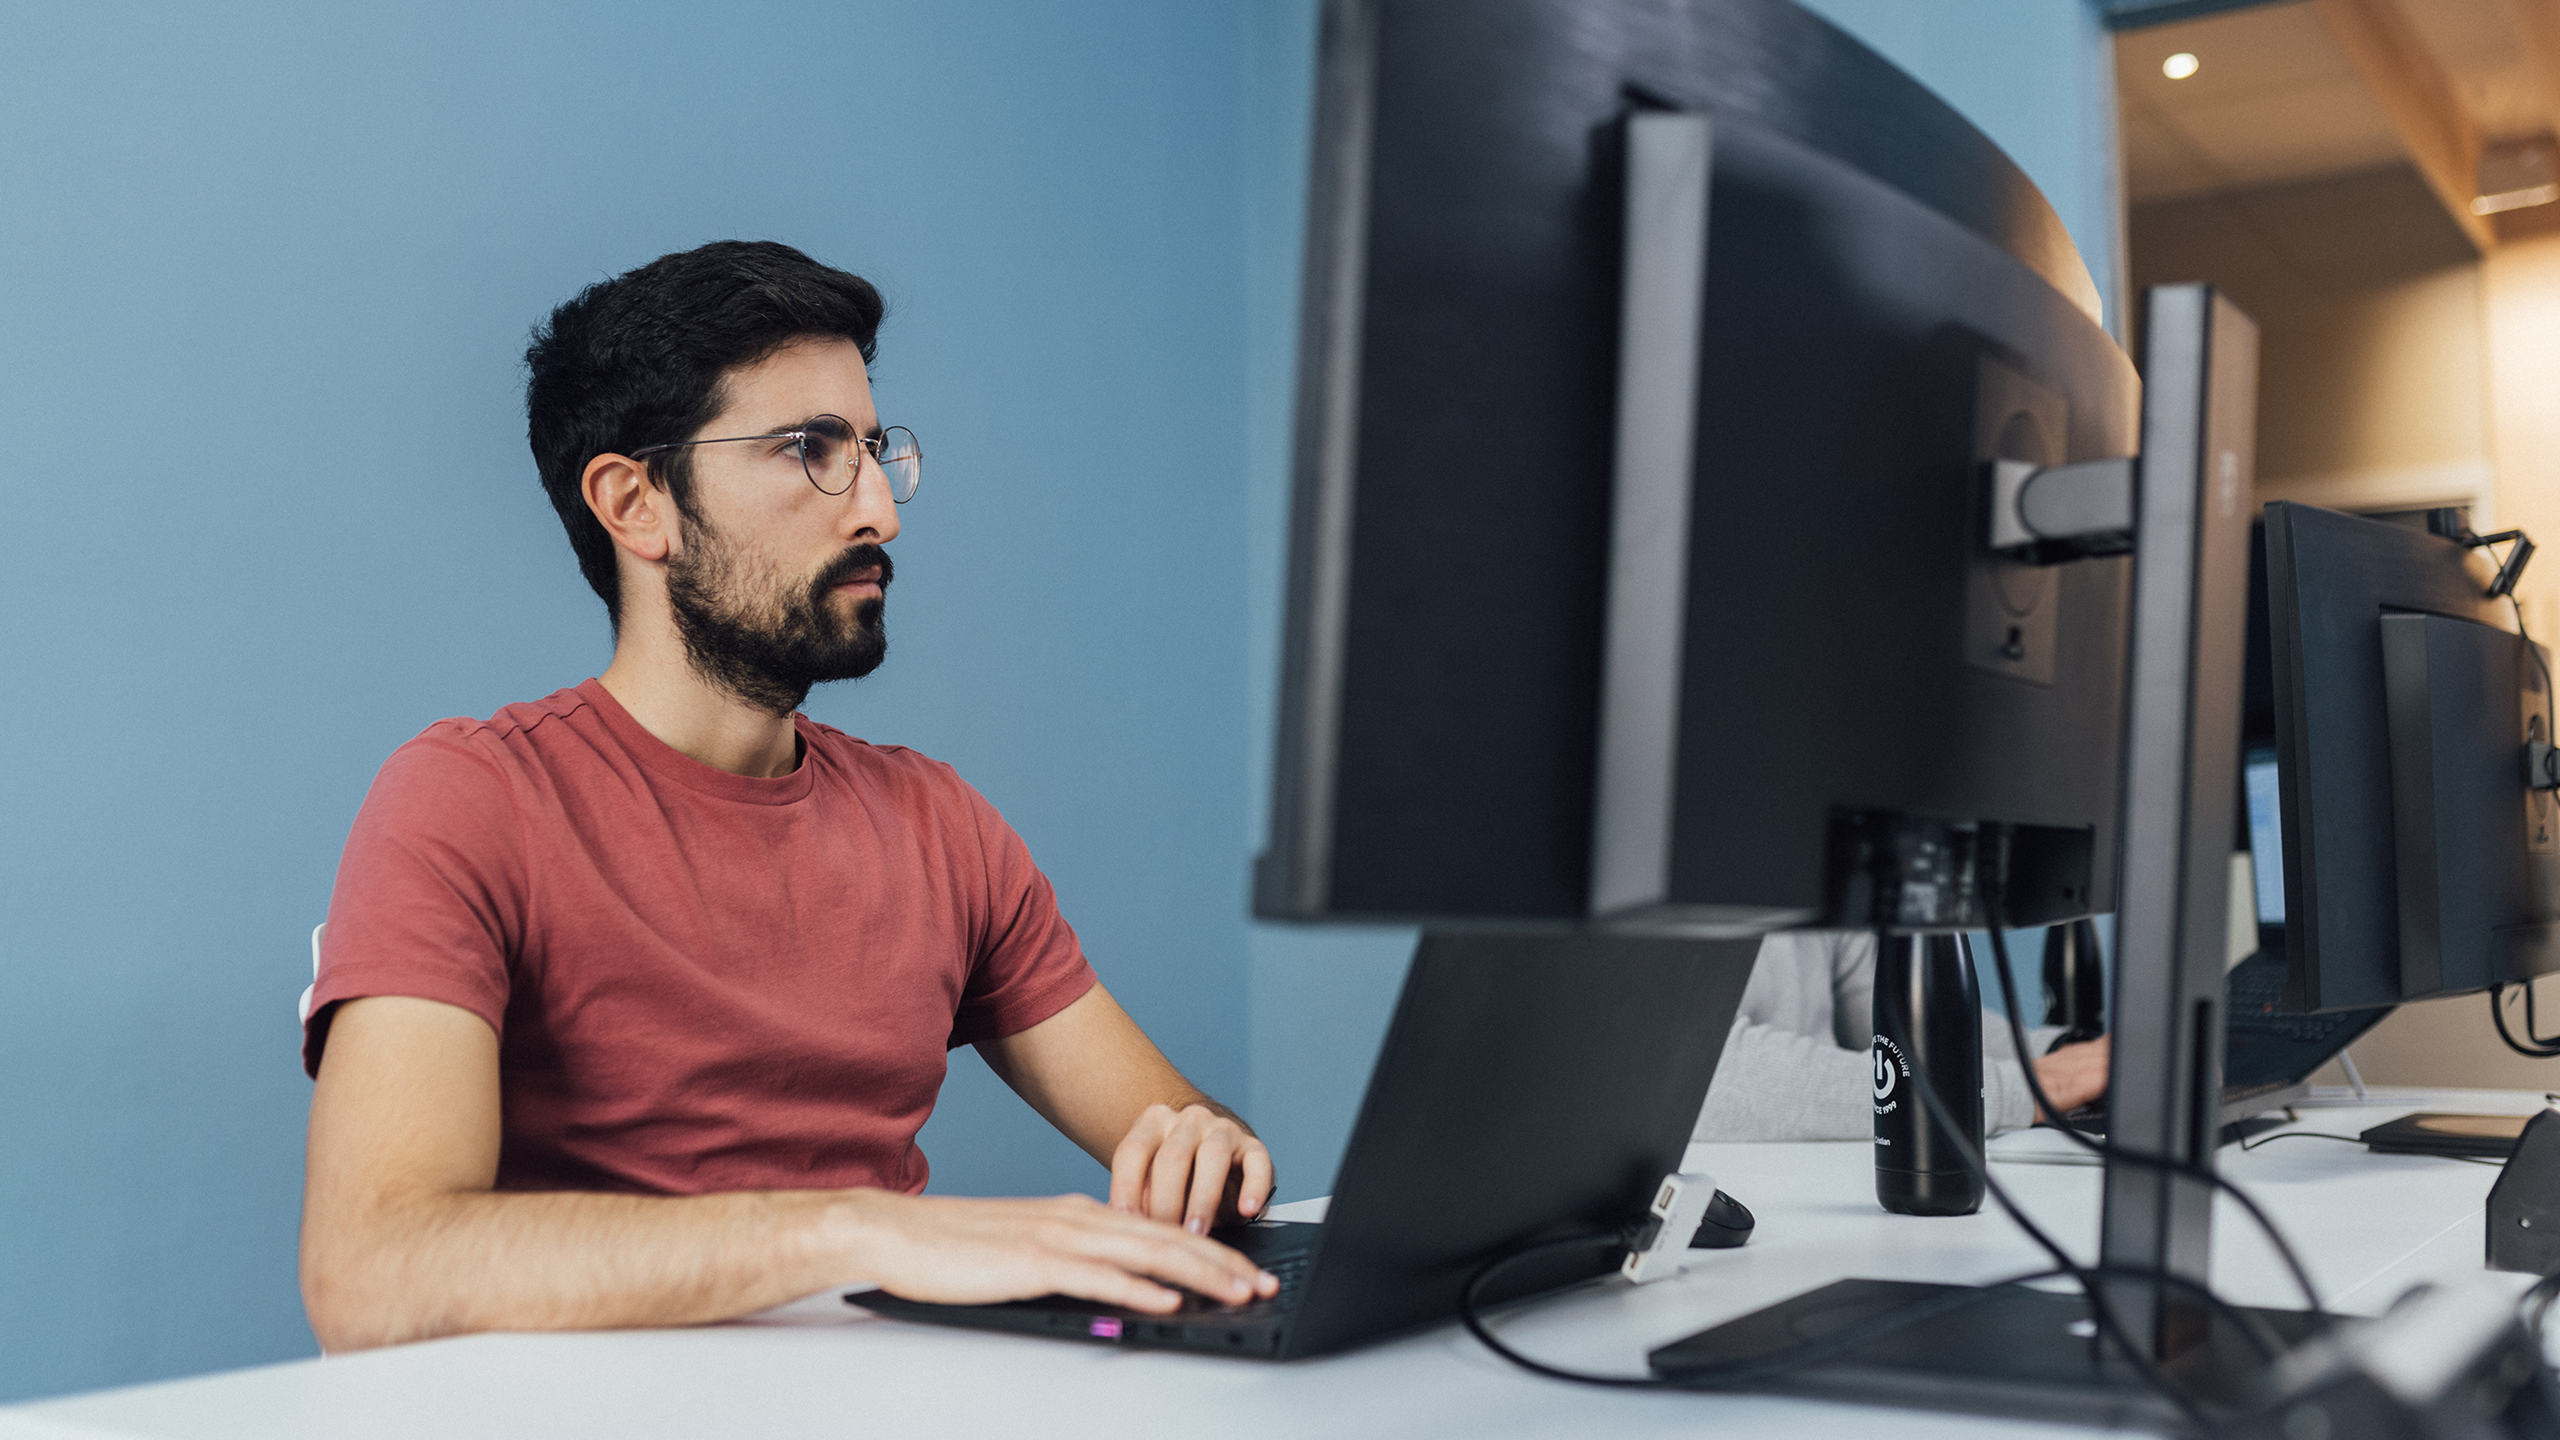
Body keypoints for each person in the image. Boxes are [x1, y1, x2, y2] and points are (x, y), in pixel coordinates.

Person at [298, 241, 1278, 1354]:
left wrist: (1207, 1151)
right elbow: (370, 1273)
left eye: (871, 450)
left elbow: (1178, 1125)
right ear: (636, 504)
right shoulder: (470, 799)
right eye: (809, 450)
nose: (879, 513)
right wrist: (855, 1233)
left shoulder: (937, 822)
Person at [1692, 931, 2112, 1141]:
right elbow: (1704, 1074)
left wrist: (2068, 1058)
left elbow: (1885, 1008)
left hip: (1820, 1174)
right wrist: (2033, 1087)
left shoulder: (1798, 830)